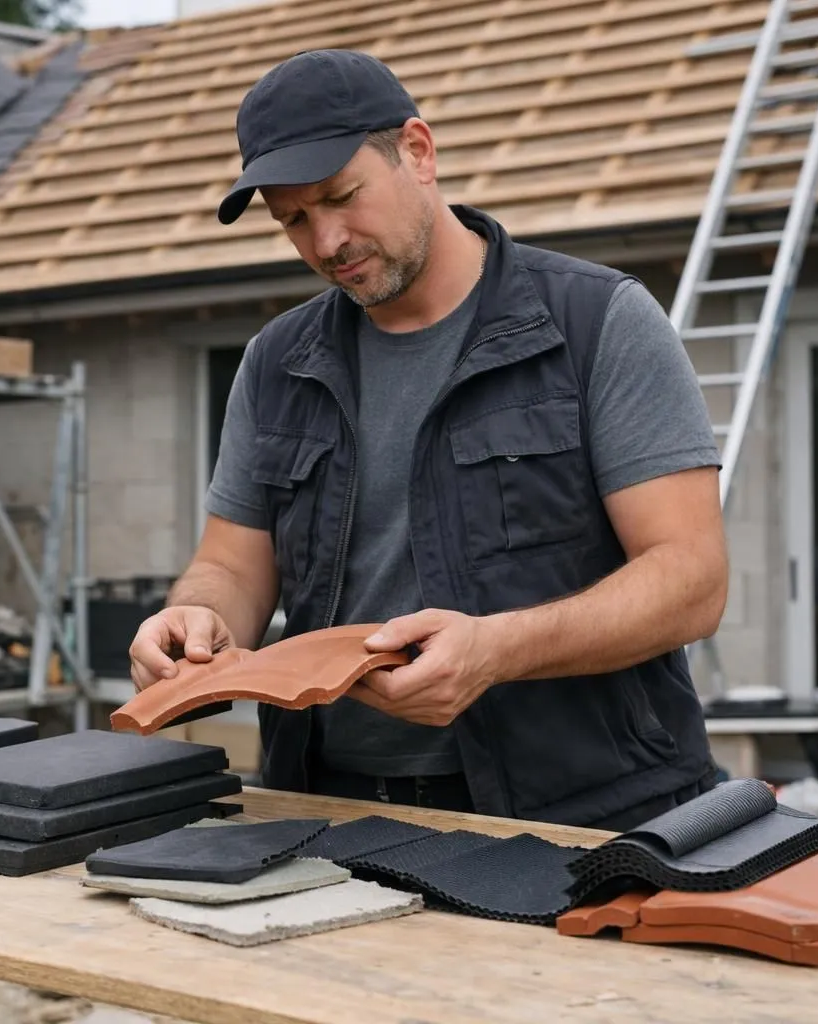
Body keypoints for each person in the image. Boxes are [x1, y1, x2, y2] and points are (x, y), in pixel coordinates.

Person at [127, 49, 729, 831]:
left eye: (342, 197)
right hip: (323, 806)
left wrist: (496, 650)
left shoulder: (595, 324)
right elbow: (231, 566)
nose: (327, 240)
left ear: (418, 151)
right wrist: (195, 623)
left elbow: (692, 579)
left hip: (577, 813)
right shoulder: (277, 362)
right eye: (295, 220)